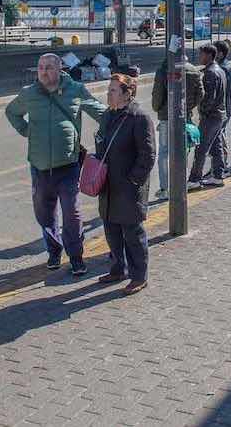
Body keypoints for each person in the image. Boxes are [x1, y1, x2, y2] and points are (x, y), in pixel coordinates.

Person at [5, 53, 106, 276]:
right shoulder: (29, 93)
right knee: (44, 214)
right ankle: (53, 250)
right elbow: (12, 112)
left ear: (60, 69)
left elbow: (100, 112)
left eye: (49, 67)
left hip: (68, 165)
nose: (43, 71)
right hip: (39, 167)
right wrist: (25, 130)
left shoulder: (76, 90)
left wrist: (123, 116)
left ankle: (76, 256)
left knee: (72, 214)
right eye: (41, 67)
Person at [95, 73, 156, 296]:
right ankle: (117, 268)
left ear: (127, 93)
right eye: (108, 89)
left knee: (132, 233)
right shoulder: (108, 115)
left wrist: (133, 181)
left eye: (112, 90)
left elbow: (148, 155)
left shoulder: (139, 118)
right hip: (108, 185)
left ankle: (139, 276)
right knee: (111, 231)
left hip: (128, 188)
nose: (108, 93)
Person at [150, 51, 204, 199]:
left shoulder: (164, 70)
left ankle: (165, 188)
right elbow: (200, 94)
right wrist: (187, 107)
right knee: (183, 150)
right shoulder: (193, 70)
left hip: (166, 117)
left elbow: (157, 95)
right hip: (184, 116)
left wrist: (158, 108)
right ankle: (181, 183)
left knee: (164, 153)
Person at [188, 44, 227, 189]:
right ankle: (218, 175)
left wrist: (203, 112)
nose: (200, 57)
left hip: (211, 116)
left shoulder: (211, 73)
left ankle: (194, 179)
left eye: (202, 55)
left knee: (201, 148)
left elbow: (209, 97)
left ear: (209, 55)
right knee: (216, 147)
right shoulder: (220, 70)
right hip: (219, 115)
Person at [213, 39, 231, 180]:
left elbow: (220, 91)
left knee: (219, 138)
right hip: (225, 106)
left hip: (223, 108)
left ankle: (222, 167)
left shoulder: (223, 68)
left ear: (220, 53)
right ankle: (221, 166)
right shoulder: (225, 66)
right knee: (220, 136)